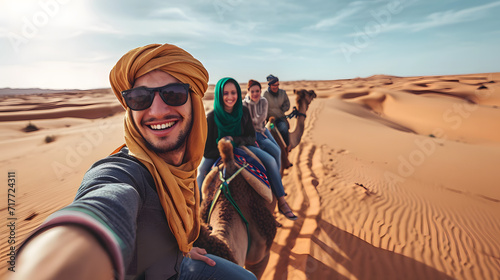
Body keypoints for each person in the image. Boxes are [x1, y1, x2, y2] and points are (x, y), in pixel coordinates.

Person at [12, 44, 257, 280]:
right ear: (130, 109)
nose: (158, 110)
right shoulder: (125, 172)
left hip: (179, 262)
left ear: (193, 101)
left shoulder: (181, 169)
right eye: (140, 98)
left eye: (174, 94)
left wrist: (180, 247)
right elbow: (101, 204)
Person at [197, 77, 297, 220]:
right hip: (218, 153)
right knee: (200, 172)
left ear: (238, 93)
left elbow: (251, 137)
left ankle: (281, 201)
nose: (230, 97)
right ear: (219, 95)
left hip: (243, 147)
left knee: (270, 160)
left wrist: (235, 141)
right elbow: (207, 150)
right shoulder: (212, 118)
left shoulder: (243, 111)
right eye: (225, 93)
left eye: (233, 92)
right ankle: (199, 212)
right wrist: (224, 146)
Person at [262, 74, 290, 147]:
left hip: (280, 118)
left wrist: (281, 110)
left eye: (277, 85)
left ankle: (287, 146)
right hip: (268, 120)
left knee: (283, 128)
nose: (276, 87)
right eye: (274, 85)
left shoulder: (282, 93)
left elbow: (287, 104)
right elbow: (262, 107)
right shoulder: (265, 94)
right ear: (270, 85)